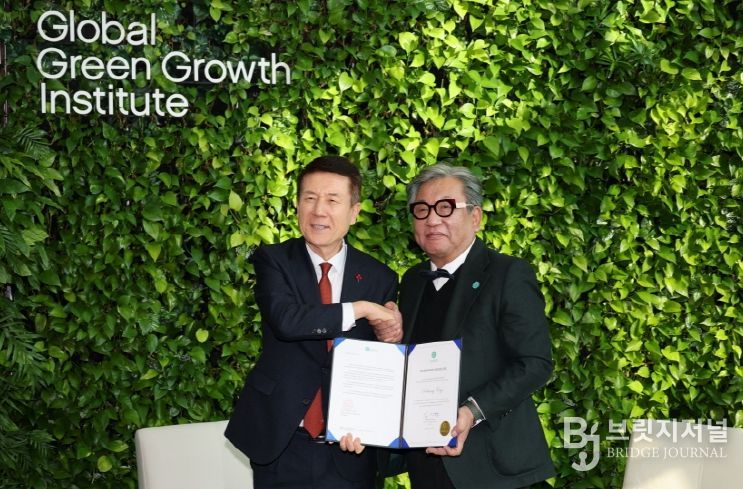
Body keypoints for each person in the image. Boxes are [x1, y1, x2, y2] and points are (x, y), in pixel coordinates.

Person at [373, 163, 555, 488]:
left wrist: (472, 411)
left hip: (493, 467)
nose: (432, 219)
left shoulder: (508, 274)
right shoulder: (412, 281)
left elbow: (535, 363)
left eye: (445, 207)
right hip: (426, 464)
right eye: (421, 209)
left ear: (475, 217)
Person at [225, 156, 402, 489]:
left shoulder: (380, 278)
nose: (319, 210)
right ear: (297, 205)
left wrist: (391, 334)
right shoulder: (274, 260)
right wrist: (360, 309)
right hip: (282, 443)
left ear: (354, 211)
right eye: (310, 198)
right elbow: (287, 320)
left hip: (350, 451)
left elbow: (378, 363)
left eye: (332, 200)